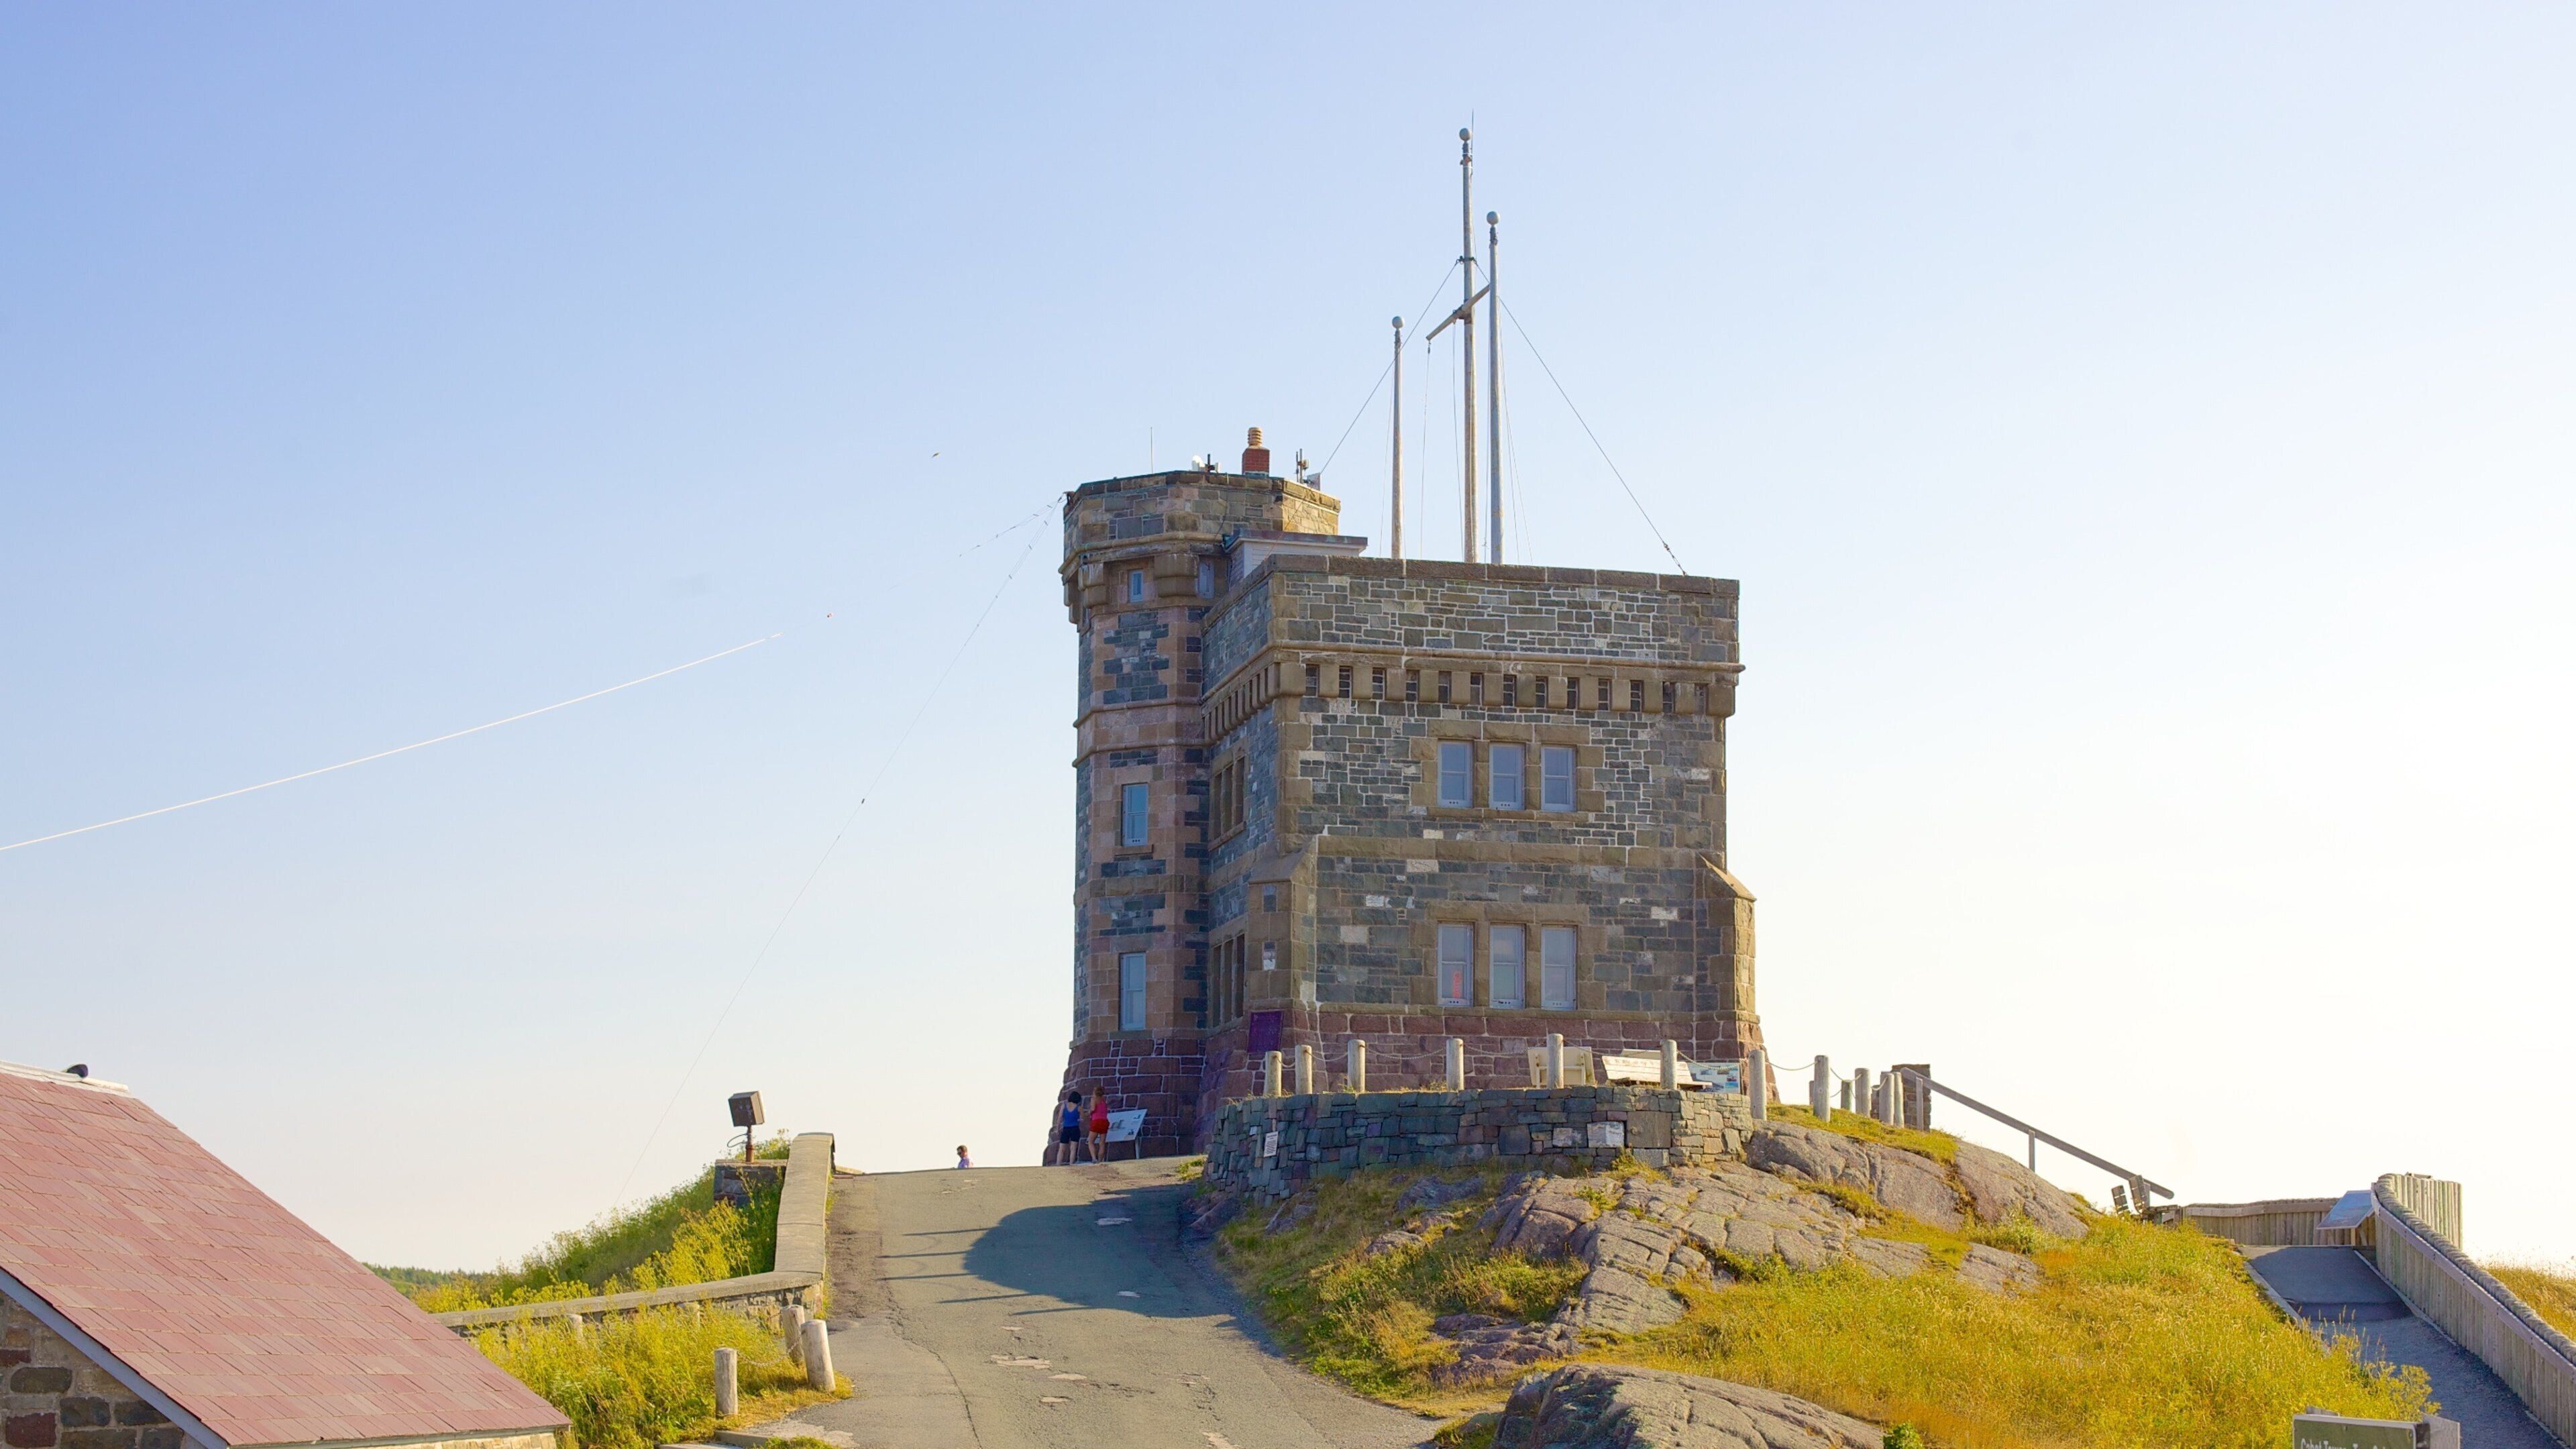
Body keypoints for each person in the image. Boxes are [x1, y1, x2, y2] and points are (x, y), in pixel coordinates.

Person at [1053, 1089, 1083, 1165]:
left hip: (1066, 1128)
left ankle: (1058, 1164)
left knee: (1062, 1148)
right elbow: (1083, 1118)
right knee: (1073, 1148)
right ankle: (1071, 1164)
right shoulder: (1079, 1108)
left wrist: (1058, 1128)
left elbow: (1059, 1118)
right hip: (1075, 1128)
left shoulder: (1064, 1105)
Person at [1085, 1089, 1111, 1163]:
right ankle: (1100, 1161)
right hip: (1105, 1121)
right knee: (1102, 1143)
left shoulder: (1094, 1099)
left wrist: (1088, 1113)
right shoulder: (1104, 1102)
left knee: (1090, 1141)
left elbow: (1093, 1109)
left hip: (1096, 1121)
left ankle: (1094, 1159)